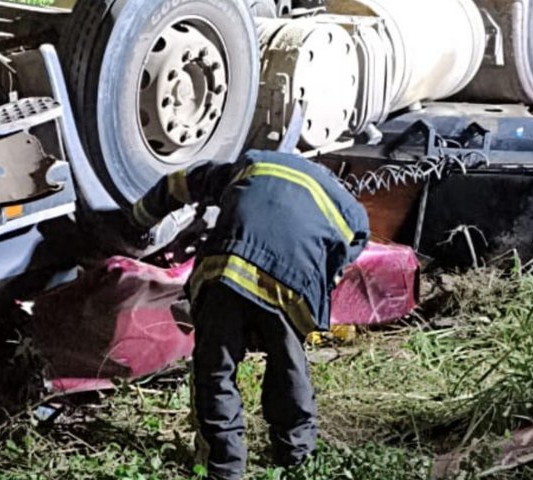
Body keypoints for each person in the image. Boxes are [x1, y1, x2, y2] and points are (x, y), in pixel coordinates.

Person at [129, 149, 369, 480]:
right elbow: (328, 274)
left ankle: (224, 469)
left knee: (215, 370)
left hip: (226, 265)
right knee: (288, 366)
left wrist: (138, 218)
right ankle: (297, 457)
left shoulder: (256, 163)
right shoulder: (354, 216)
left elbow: (182, 183)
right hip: (289, 283)